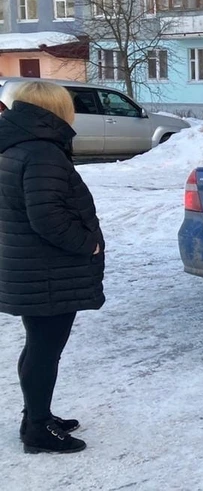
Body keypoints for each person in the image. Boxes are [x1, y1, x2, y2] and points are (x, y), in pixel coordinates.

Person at [0, 81, 105, 454]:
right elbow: (46, 216)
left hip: (33, 266)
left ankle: (36, 415)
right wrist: (87, 243)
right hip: (46, 270)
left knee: (38, 346)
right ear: (55, 110)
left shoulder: (18, 144)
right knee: (45, 350)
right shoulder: (42, 151)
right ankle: (38, 429)